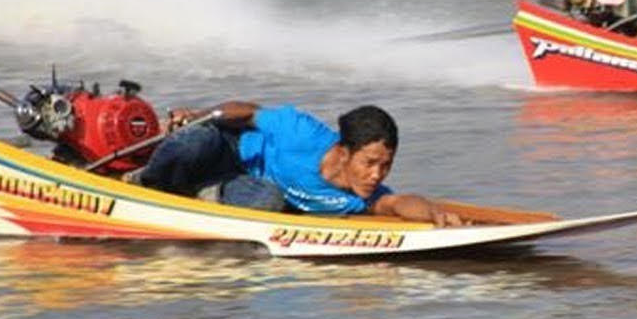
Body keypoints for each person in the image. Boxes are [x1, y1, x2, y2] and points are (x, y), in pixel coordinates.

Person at [133, 102, 463, 226]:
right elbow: (248, 112)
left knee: (268, 200)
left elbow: (397, 203)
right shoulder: (301, 132)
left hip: (238, 182)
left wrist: (435, 214)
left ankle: (196, 193)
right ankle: (143, 183)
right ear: (344, 152)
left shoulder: (359, 197)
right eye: (370, 163)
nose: (376, 175)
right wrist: (196, 115)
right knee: (196, 140)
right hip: (227, 149)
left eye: (386, 166)